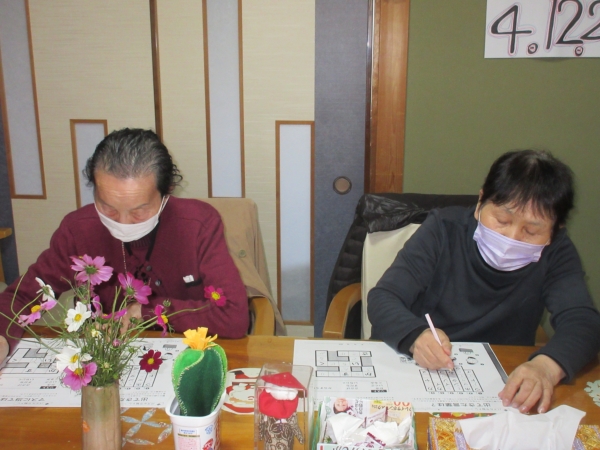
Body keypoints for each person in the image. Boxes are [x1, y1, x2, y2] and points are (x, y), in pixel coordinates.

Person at [368, 149, 600, 414]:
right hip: (421, 367)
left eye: (531, 231)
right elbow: (384, 297)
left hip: (501, 381)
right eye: (502, 220)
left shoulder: (556, 251)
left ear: (554, 231)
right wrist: (414, 336)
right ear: (480, 203)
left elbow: (583, 321)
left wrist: (546, 367)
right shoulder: (444, 228)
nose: (512, 238)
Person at [0, 128, 249, 363]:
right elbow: (22, 296)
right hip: (106, 362)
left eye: (139, 211)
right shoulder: (79, 230)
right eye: (108, 208)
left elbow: (234, 316)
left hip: (187, 357)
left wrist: (146, 311)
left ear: (166, 193)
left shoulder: (198, 225)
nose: (122, 222)